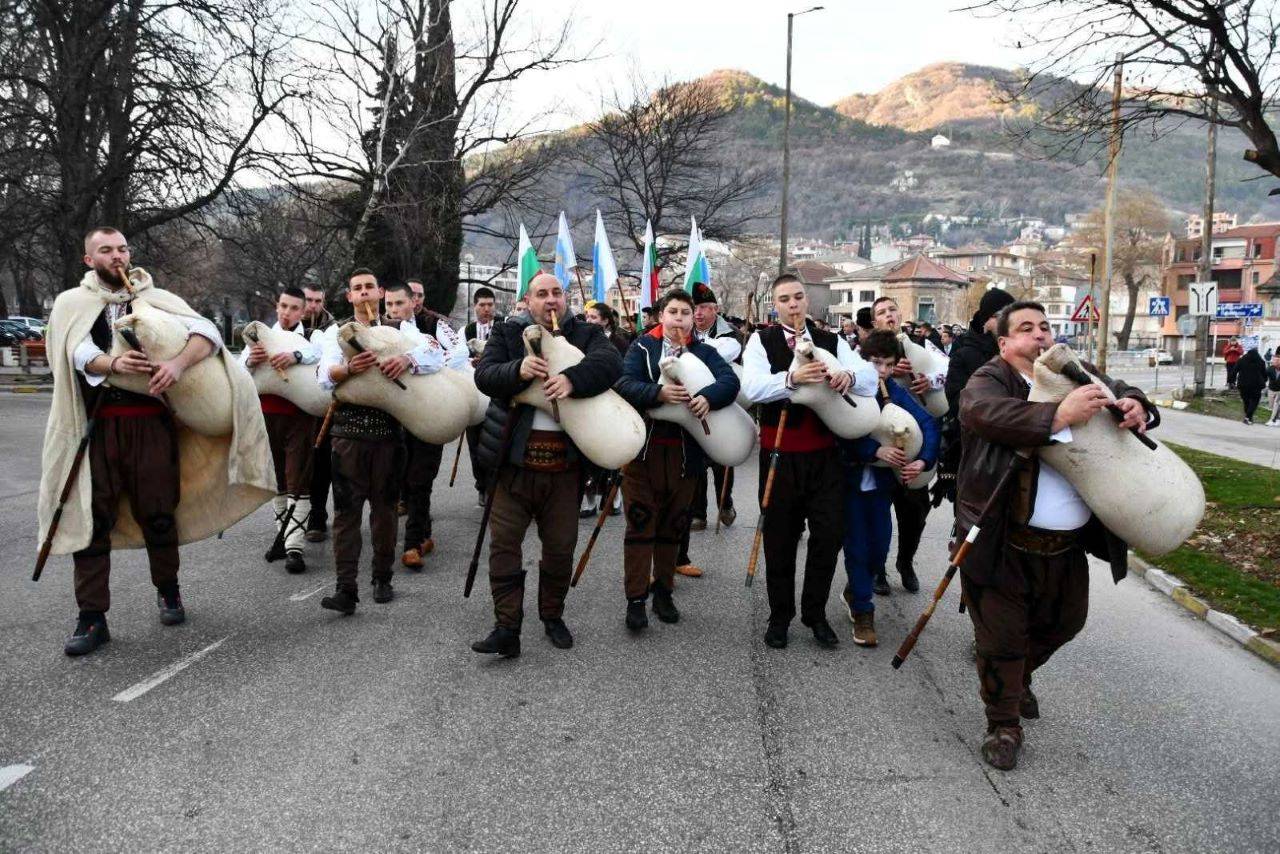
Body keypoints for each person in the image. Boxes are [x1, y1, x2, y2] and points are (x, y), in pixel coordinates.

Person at [41, 226, 273, 656]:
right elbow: (70, 350)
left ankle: (169, 591)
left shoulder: (155, 298)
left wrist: (180, 365)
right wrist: (110, 361)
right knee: (92, 519)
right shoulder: (73, 303)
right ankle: (91, 618)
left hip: (150, 424)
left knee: (159, 512)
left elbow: (207, 332)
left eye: (122, 249)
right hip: (96, 425)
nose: (118, 257)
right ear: (88, 260)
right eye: (106, 250)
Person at [957, 300, 1157, 770]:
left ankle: (1016, 678)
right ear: (1004, 343)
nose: (1040, 336)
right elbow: (982, 413)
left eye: (1045, 327)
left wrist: (1135, 403)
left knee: (1065, 624)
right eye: (1026, 329)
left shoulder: (1072, 370)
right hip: (1000, 540)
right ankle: (1003, 725)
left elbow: (1120, 388)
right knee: (1001, 640)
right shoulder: (990, 379)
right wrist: (1057, 416)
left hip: (1064, 548)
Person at [470, 272, 623, 658]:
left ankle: (552, 615)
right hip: (513, 462)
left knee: (559, 547)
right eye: (542, 294)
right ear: (527, 300)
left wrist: (572, 380)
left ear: (566, 298)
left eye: (557, 293)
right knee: (504, 545)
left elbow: (610, 364)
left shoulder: (586, 335)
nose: (551, 300)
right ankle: (507, 626)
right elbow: (485, 376)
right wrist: (517, 371)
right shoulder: (508, 334)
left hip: (565, 465)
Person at [741, 273, 878, 650]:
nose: (794, 304)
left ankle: (814, 614)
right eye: (785, 299)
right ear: (776, 304)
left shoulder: (831, 340)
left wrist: (847, 375)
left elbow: (869, 377)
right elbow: (751, 387)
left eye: (799, 297)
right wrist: (791, 378)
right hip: (780, 454)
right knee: (780, 540)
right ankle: (779, 616)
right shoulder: (761, 339)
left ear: (808, 300)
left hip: (824, 455)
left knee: (828, 537)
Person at [315, 269, 444, 614]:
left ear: (379, 292)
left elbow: (437, 354)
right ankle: (346, 588)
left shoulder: (402, 330)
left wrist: (407, 359)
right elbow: (324, 377)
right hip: (347, 434)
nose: (364, 293)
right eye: (357, 288)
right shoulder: (335, 333)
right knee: (345, 514)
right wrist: (348, 369)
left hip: (389, 434)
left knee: (385, 511)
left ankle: (382, 578)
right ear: (350, 297)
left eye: (369, 287)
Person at [614, 289, 739, 630]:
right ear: (661, 315)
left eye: (686, 312)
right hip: (644, 452)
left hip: (686, 454)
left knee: (672, 525)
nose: (680, 318)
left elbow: (730, 381)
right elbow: (623, 383)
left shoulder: (705, 351)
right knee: (640, 525)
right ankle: (636, 599)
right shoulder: (642, 347)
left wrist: (708, 398)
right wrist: (658, 393)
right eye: (674, 312)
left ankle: (664, 591)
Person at [838, 330, 939, 646]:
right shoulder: (848, 389)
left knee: (879, 548)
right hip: (850, 482)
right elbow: (840, 435)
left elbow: (928, 424)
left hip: (881, 487)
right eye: (875, 363)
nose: (880, 371)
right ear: (861, 360)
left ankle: (856, 590)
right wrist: (873, 451)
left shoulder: (894, 391)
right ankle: (864, 612)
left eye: (887, 365)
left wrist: (922, 461)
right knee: (857, 547)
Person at [240, 286, 322, 573]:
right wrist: (251, 360)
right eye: (284, 306)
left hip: (299, 417)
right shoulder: (258, 337)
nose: (287, 312)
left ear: (304, 311)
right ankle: (284, 537)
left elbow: (318, 354)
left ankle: (294, 548)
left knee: (298, 478)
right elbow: (240, 373)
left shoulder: (312, 336)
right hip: (266, 416)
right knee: (277, 481)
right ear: (277, 306)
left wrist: (295, 355)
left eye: (294, 308)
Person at [384, 281, 466, 566]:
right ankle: (423, 535)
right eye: (390, 304)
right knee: (402, 478)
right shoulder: (379, 332)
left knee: (420, 479)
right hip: (393, 418)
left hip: (429, 412)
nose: (394, 309)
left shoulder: (427, 330)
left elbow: (447, 354)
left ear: (414, 303)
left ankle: (412, 545)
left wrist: (410, 361)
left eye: (400, 303)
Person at [872, 296, 946, 594]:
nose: (888, 315)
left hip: (918, 435)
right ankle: (877, 568)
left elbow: (946, 374)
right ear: (874, 320)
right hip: (882, 441)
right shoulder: (865, 349)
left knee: (915, 511)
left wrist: (928, 381)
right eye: (881, 312)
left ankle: (906, 561)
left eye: (892, 310)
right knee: (878, 511)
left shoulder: (920, 346)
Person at [935, 288, 1016, 510]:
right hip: (975, 452)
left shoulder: (1017, 350)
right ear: (988, 319)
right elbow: (956, 402)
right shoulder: (964, 353)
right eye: (1003, 316)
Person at [688, 282, 743, 532]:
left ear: (715, 310)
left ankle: (725, 503)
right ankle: (698, 512)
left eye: (703, 308)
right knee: (696, 459)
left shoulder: (729, 335)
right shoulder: (686, 331)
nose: (698, 313)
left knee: (722, 459)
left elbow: (722, 354)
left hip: (721, 403)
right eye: (694, 308)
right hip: (694, 403)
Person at [301, 284, 337, 543]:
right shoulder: (291, 326)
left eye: (317, 300)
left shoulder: (331, 329)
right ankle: (298, 517)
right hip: (296, 406)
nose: (312, 305)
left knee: (323, 461)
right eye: (308, 300)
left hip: (325, 405)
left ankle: (318, 515)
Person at [463, 286, 500, 506]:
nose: (487, 309)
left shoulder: (504, 327)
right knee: (475, 445)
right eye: (482, 305)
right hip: (474, 394)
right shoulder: (466, 330)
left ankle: (498, 487)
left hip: (496, 394)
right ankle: (482, 486)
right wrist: (471, 363)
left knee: (496, 444)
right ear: (474, 307)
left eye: (490, 305)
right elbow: (456, 358)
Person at [1235, 345, 1267, 424]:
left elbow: (1234, 371)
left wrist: (1231, 381)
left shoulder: (1241, 360)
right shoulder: (1261, 361)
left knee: (1246, 401)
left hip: (1243, 385)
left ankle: (1248, 417)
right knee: (1254, 401)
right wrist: (1264, 380)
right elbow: (1264, 373)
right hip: (1256, 386)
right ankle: (1248, 417)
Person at [1266, 354, 1280, 426]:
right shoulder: (1270, 368)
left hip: (1279, 390)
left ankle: (1272, 420)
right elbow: (1264, 376)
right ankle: (1277, 419)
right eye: (1273, 360)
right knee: (1271, 406)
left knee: (1276, 404)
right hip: (1271, 389)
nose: (1273, 361)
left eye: (1276, 360)